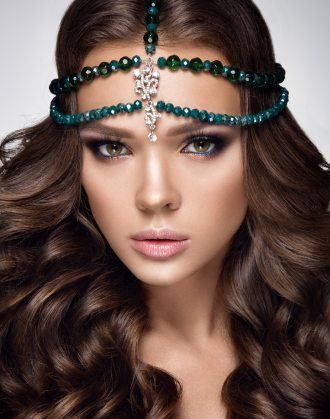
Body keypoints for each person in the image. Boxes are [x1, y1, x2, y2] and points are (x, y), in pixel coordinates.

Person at [0, 0, 329, 418]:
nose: (155, 196)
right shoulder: (16, 349)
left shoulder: (320, 335)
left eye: (201, 144)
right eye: (113, 147)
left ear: (260, 152)